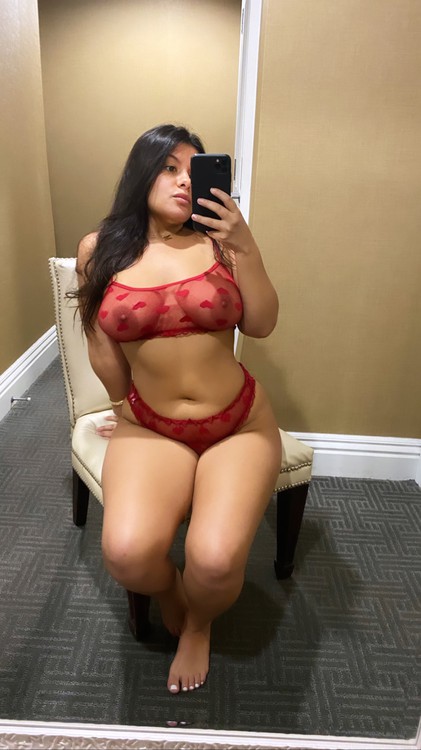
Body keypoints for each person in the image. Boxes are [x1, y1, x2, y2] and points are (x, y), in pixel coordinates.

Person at [75, 123, 282, 694]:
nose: (185, 181)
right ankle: (171, 590)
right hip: (152, 427)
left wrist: (245, 244)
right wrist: (120, 405)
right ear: (141, 174)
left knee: (214, 561)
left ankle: (199, 624)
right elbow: (101, 341)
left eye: (194, 170)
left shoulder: (220, 241)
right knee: (127, 555)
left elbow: (262, 324)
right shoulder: (100, 250)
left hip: (238, 424)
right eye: (169, 168)